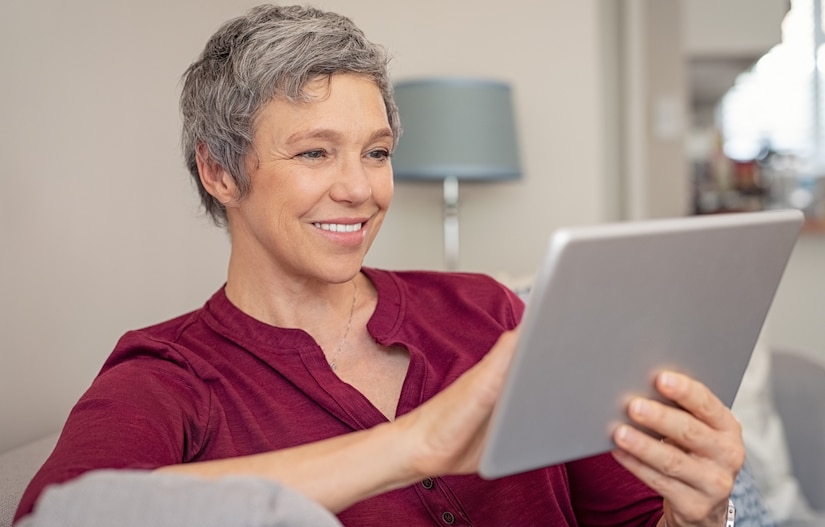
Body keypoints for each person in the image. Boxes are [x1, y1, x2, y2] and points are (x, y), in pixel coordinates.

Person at [14, 5, 744, 526]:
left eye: (377, 151)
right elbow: (65, 516)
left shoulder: (486, 311)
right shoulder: (166, 374)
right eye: (313, 152)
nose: (361, 189)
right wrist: (410, 444)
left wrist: (697, 511)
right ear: (218, 171)